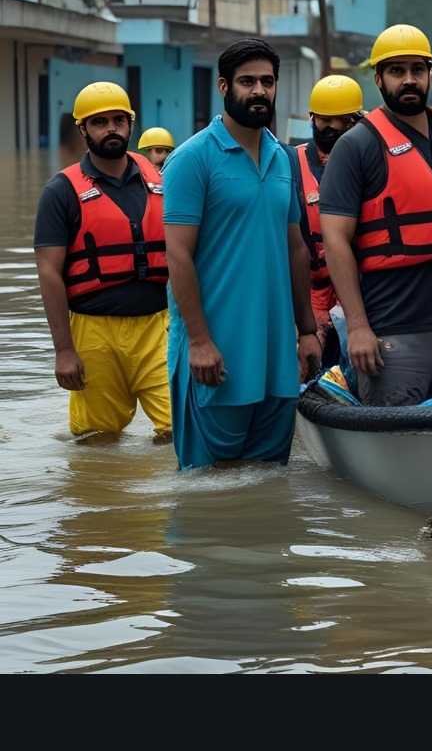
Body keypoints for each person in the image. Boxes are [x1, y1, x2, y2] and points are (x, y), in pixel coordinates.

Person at [319, 23, 432, 406]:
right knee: (396, 441)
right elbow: (335, 239)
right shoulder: (356, 145)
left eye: (416, 70)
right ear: (379, 79)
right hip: (392, 327)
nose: (408, 80)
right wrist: (357, 326)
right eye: (397, 71)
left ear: (430, 75)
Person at [162, 37, 321, 470]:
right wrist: (198, 341)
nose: (259, 91)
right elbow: (177, 256)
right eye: (247, 81)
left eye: (267, 81)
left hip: (276, 361)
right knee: (206, 492)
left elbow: (295, 248)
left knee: (267, 486)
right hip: (215, 358)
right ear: (223, 86)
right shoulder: (192, 159)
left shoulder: (283, 158)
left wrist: (307, 331)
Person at [34, 81, 172, 441]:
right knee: (97, 439)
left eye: (118, 120)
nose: (111, 129)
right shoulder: (60, 191)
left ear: (130, 123)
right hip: (92, 331)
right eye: (99, 122)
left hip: (158, 326)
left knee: (182, 429)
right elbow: (49, 273)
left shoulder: (160, 179)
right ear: (83, 129)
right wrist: (64, 351)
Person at [288, 74, 364, 355]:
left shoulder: (371, 160)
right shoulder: (290, 162)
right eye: (325, 119)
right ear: (312, 118)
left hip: (361, 298)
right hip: (310, 301)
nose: (334, 127)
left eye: (344, 120)